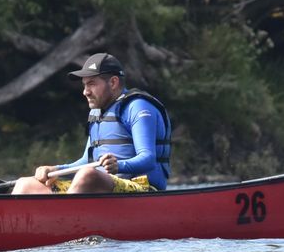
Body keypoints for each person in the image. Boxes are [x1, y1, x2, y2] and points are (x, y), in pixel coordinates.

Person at [13, 52, 171, 195]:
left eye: (92, 84)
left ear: (113, 82)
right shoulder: (97, 112)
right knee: (25, 184)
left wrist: (119, 166)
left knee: (87, 174)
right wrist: (55, 170)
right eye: (84, 85)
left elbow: (148, 159)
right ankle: (19, 225)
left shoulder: (137, 106)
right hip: (99, 187)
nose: (85, 91)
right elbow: (86, 161)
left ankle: (65, 221)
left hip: (142, 189)